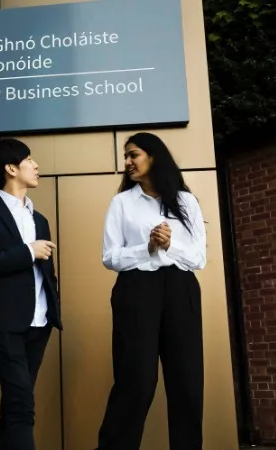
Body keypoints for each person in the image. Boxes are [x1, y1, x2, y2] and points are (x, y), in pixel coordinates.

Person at [95, 132, 207, 449]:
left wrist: (169, 246)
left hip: (180, 289)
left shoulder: (186, 201)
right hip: (136, 290)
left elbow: (199, 258)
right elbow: (110, 257)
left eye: (134, 155)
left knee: (187, 380)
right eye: (126, 156)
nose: (128, 162)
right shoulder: (121, 203)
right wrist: (148, 248)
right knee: (136, 379)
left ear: (154, 157)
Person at [0, 138, 62, 450]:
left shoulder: (40, 219)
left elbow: (48, 273)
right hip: (4, 325)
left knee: (14, 405)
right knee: (22, 404)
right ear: (11, 168)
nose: (36, 166)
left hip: (39, 323)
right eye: (30, 160)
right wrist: (27, 251)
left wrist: (52, 310)